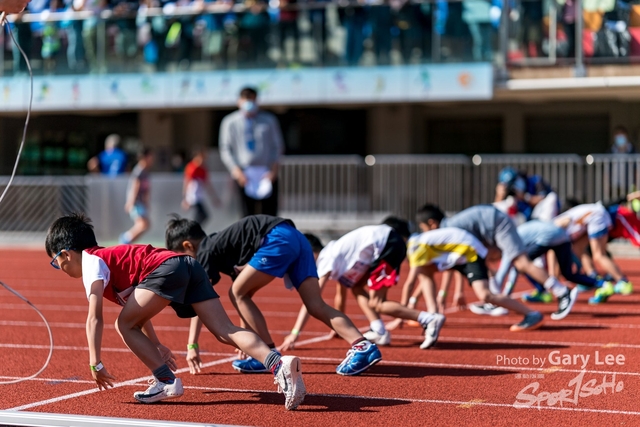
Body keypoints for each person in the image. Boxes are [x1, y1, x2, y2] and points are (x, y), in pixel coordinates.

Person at [45, 213, 305, 410]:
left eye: (55, 262)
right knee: (225, 331)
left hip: (165, 267)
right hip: (187, 264)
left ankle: (167, 381)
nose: (59, 268)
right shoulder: (110, 262)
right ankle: (278, 363)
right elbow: (138, 310)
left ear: (66, 255)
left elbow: (95, 318)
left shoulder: (92, 262)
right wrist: (156, 344)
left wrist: (95, 362)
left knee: (122, 326)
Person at [165, 214, 382, 376]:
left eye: (181, 257)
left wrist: (192, 345)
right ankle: (362, 346)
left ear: (188, 246)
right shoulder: (224, 248)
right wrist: (248, 343)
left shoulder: (205, 252)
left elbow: (201, 302)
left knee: (236, 292)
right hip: (297, 238)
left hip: (276, 237)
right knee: (315, 304)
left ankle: (269, 353)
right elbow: (243, 298)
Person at [280, 217, 446, 351]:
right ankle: (379, 329)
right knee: (356, 286)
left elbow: (312, 301)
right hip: (386, 243)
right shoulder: (336, 253)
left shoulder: (326, 259)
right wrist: (337, 327)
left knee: (378, 303)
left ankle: (428, 319)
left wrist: (295, 333)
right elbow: (341, 293)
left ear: (311, 252)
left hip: (387, 244)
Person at [415, 204, 579, 320]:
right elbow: (459, 262)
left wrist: (450, 292)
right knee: (487, 263)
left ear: (432, 224)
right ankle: (495, 301)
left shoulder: (447, 230)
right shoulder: (449, 227)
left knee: (521, 262)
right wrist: (450, 292)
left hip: (496, 224)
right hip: (491, 226)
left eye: (423, 229)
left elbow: (456, 262)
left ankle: (562, 291)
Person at [406, 226, 544, 331]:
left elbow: (410, 283)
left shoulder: (415, 246)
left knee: (485, 295)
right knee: (425, 272)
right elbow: (447, 269)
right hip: (463, 253)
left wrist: (400, 314)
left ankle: (532, 314)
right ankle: (433, 316)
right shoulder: (422, 242)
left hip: (471, 253)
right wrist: (447, 293)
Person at [493, 220, 606, 311]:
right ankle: (602, 284)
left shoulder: (507, 242)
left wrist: (503, 297)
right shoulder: (515, 232)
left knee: (522, 265)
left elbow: (504, 271)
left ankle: (545, 291)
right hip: (562, 236)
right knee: (568, 274)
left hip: (547, 237)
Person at [219, 87, 284, 217]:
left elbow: (277, 146)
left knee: (270, 215)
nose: (249, 103)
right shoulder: (230, 122)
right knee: (247, 216)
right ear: (239, 101)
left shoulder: (269, 120)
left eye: (252, 99)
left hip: (266, 172)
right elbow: (225, 149)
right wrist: (236, 171)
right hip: (244, 174)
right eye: (245, 99)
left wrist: (274, 170)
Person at [553, 201, 632, 304]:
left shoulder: (552, 230)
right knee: (578, 248)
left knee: (599, 255)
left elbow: (554, 260)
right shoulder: (554, 226)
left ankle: (623, 282)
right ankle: (593, 278)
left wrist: (553, 283)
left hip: (596, 216)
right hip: (594, 216)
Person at [120, 148, 153, 245]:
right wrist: (130, 202)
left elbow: (146, 189)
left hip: (141, 202)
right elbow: (135, 186)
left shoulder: (145, 171)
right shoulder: (139, 171)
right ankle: (125, 239)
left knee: (145, 224)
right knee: (142, 224)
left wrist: (147, 202)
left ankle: (128, 240)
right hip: (137, 203)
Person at [181, 148, 221, 228]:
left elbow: (208, 185)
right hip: (192, 197)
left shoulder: (203, 169)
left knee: (202, 216)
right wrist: (185, 198)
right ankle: (192, 230)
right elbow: (187, 182)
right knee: (202, 215)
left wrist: (214, 198)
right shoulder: (191, 167)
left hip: (199, 196)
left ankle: (193, 230)